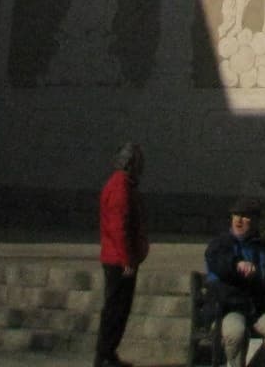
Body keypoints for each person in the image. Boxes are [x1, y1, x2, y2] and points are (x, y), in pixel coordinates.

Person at [204, 199, 265, 367]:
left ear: (255, 221)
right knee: (236, 333)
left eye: (245, 216)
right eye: (236, 215)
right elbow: (218, 264)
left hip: (257, 310)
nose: (239, 220)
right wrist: (237, 264)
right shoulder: (220, 244)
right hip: (228, 309)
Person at [94, 143, 148, 367]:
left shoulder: (120, 185)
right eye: (138, 163)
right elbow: (119, 228)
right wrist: (127, 260)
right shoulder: (121, 188)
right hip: (119, 260)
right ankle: (105, 355)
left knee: (117, 309)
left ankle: (108, 353)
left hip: (117, 257)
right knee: (116, 310)